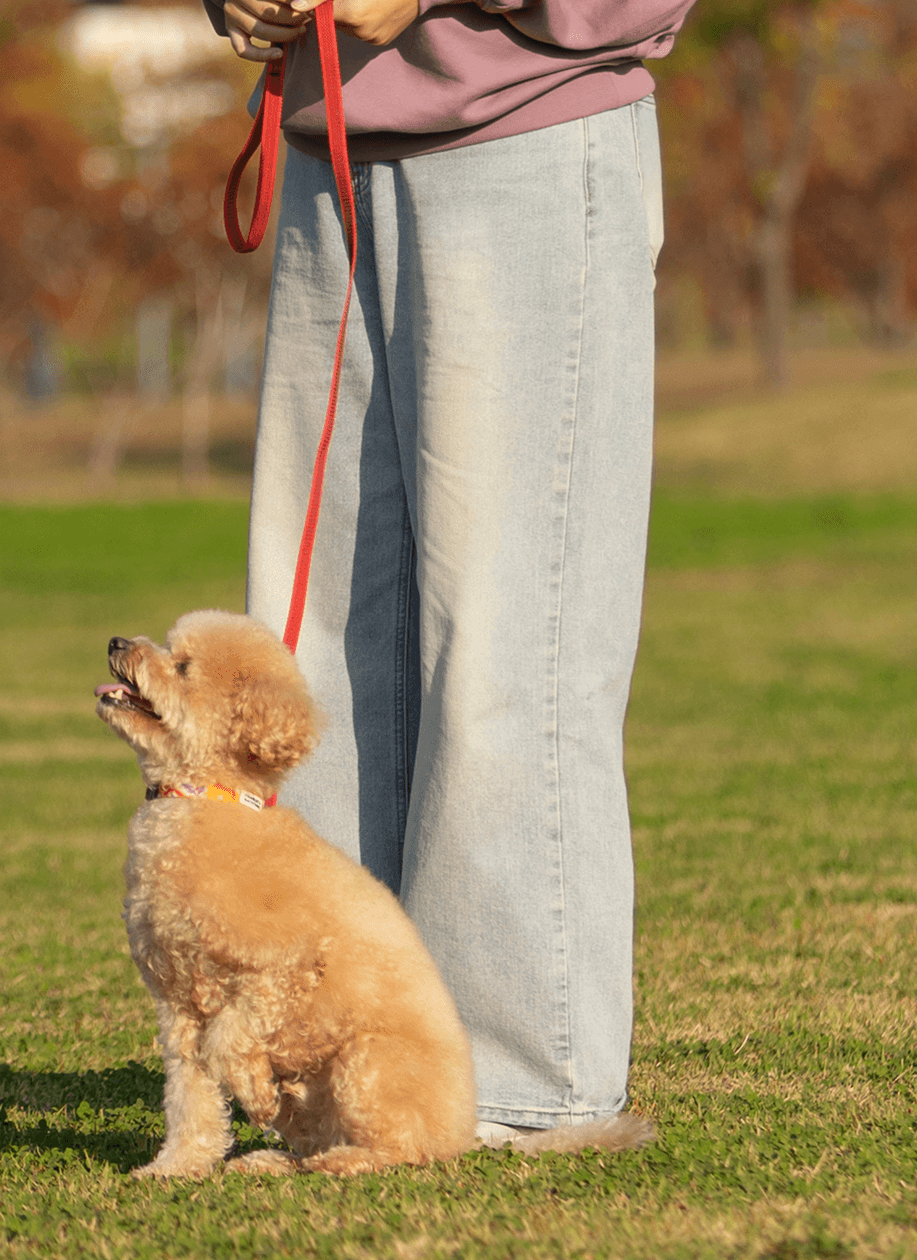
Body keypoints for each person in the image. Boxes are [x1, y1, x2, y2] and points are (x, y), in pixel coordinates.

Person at [205, 0, 695, 1142]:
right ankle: (335, 1079)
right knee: (318, 649)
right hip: (331, 156)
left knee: (507, 634)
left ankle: (525, 1086)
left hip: (524, 145)